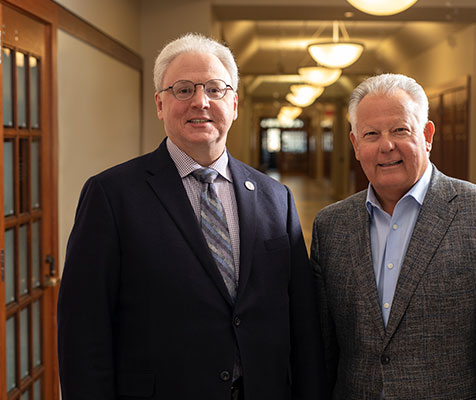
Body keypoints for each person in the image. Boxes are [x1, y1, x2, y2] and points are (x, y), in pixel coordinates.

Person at [58, 33, 326, 400]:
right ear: (160, 104)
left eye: (215, 90)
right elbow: (83, 330)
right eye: (183, 90)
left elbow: (303, 322)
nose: (200, 102)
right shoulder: (111, 195)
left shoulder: (274, 197)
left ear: (234, 104)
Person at [311, 73, 476, 399]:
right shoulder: (331, 225)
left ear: (427, 134)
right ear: (355, 145)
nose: (386, 145)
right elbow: (322, 344)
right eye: (371, 134)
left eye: (400, 130)